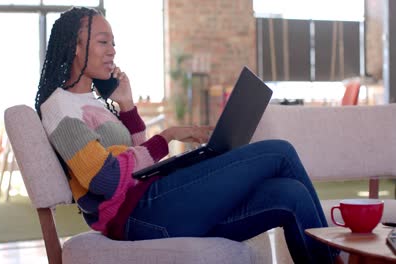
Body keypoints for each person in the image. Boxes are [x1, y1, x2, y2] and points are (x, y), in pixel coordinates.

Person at [35, 7, 341, 263]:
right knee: (279, 152)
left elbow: (138, 162)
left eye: (113, 43)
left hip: (156, 202)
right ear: (75, 46)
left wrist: (127, 105)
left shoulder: (91, 103)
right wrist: (166, 137)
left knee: (290, 194)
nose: (112, 51)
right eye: (103, 42)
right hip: (139, 214)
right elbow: (106, 180)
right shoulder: (59, 107)